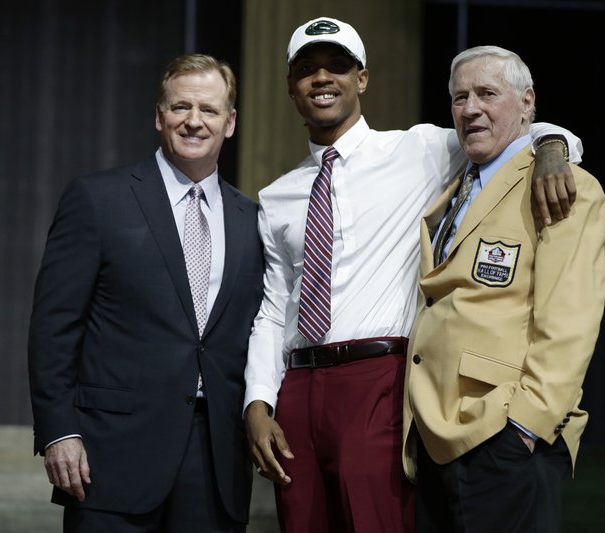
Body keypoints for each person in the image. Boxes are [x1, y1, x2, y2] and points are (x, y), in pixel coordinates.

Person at [244, 17, 583, 533]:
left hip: (379, 378)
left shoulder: (419, 150)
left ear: (362, 79)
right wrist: (258, 401)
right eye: (307, 69)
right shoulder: (276, 196)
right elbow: (274, 306)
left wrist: (556, 147)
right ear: (291, 86)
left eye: (338, 65)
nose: (322, 78)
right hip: (297, 387)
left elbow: (508, 129)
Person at [27, 53, 264, 533]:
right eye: (180, 107)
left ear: (231, 122)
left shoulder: (252, 219)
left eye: (209, 110)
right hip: (110, 456)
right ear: (159, 116)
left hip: (215, 461)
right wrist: (59, 430)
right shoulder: (98, 199)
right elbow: (53, 327)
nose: (194, 121)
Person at [401, 45, 605, 533]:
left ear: (527, 101)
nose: (470, 107)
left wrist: (525, 427)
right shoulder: (451, 182)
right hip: (434, 436)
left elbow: (570, 322)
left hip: (503, 437)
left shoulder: (562, 186)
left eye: (487, 93)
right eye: (459, 97)